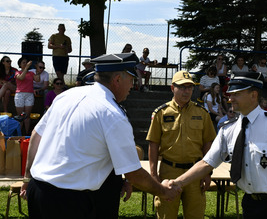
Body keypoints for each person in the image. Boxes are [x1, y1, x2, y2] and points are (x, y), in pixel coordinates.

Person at [20, 53, 181, 218]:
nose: (132, 86)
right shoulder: (112, 113)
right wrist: (163, 191)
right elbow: (134, 173)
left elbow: (36, 135)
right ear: (117, 80)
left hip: (38, 191)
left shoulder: (66, 96)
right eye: (131, 80)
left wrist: (27, 178)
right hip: (70, 201)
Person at [170, 72, 267, 219]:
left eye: (236, 94)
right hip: (250, 204)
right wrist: (177, 183)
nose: (230, 98)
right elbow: (206, 163)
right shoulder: (228, 130)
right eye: (230, 93)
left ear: (253, 95)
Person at [146, 70, 216, 219]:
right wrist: (153, 174)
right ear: (173, 88)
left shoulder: (202, 113)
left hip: (195, 173)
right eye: (182, 87)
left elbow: (208, 143)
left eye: (190, 87)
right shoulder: (161, 113)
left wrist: (207, 173)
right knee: (166, 214)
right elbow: (153, 144)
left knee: (195, 215)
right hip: (168, 172)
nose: (187, 91)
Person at [15, 57, 40, 135]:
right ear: (20, 64)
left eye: (26, 62)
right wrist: (26, 68)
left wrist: (38, 71)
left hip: (29, 94)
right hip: (20, 95)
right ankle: (19, 134)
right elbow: (21, 78)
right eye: (24, 62)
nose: (26, 64)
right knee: (21, 116)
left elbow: (37, 80)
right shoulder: (17, 72)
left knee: (27, 116)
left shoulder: (31, 73)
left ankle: (27, 133)